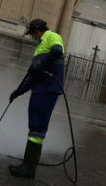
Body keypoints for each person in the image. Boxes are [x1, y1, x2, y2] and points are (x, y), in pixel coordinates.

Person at [7, 18, 65, 179]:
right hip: (39, 89)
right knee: (34, 125)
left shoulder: (52, 36)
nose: (33, 37)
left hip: (49, 88)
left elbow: (57, 51)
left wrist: (41, 64)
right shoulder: (39, 47)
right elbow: (33, 75)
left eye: (33, 33)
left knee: (38, 127)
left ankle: (29, 168)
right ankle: (26, 165)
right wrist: (18, 91)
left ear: (38, 30)